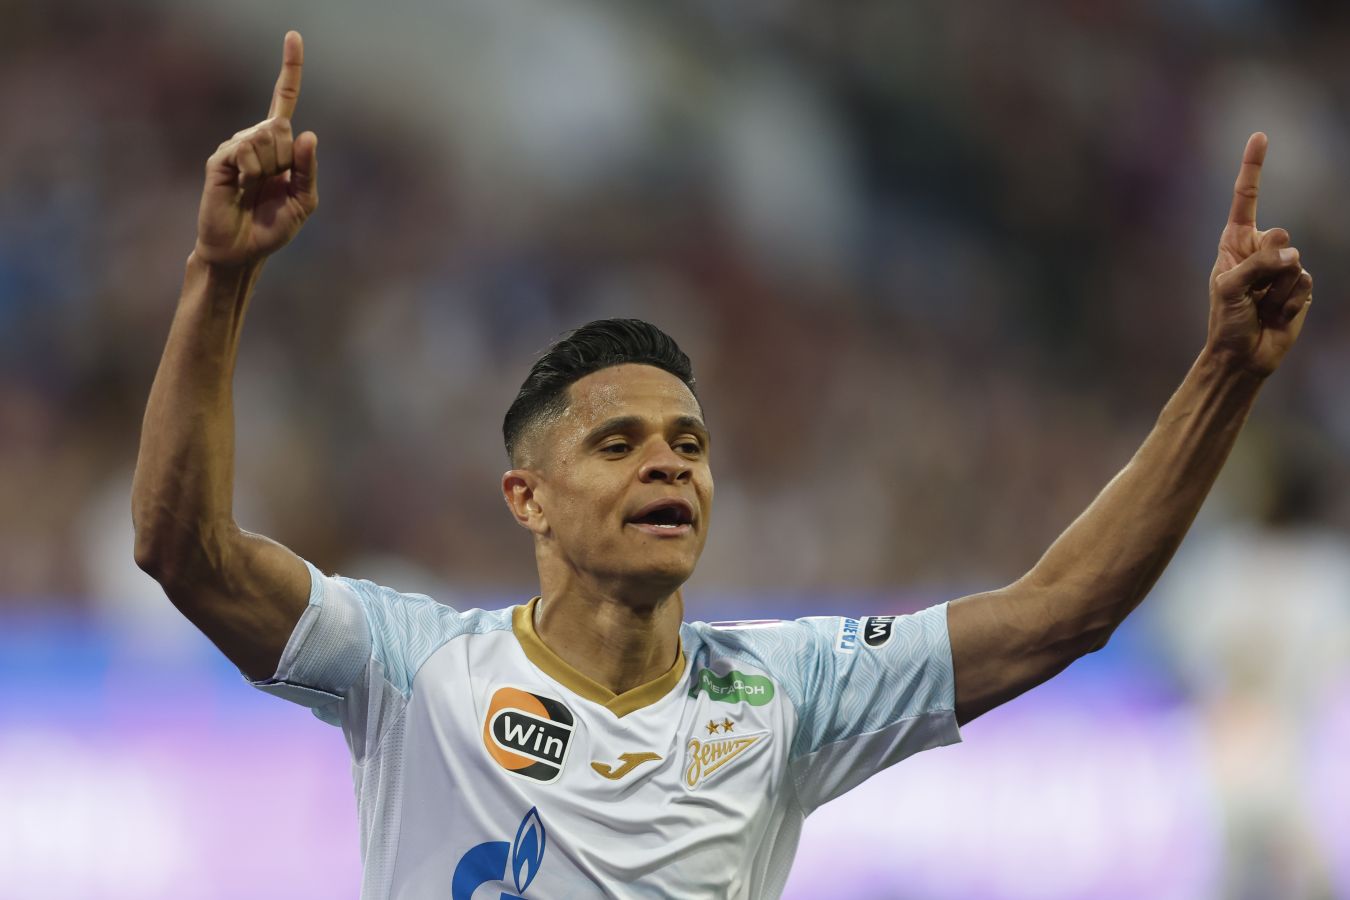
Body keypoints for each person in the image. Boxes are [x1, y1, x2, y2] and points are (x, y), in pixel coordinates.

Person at [131, 31, 1315, 900]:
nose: (670, 467)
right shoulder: (412, 669)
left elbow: (1063, 610)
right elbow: (183, 551)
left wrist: (1225, 373)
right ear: (527, 499)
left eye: (689, 446)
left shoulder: (786, 691)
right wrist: (219, 275)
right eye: (619, 444)